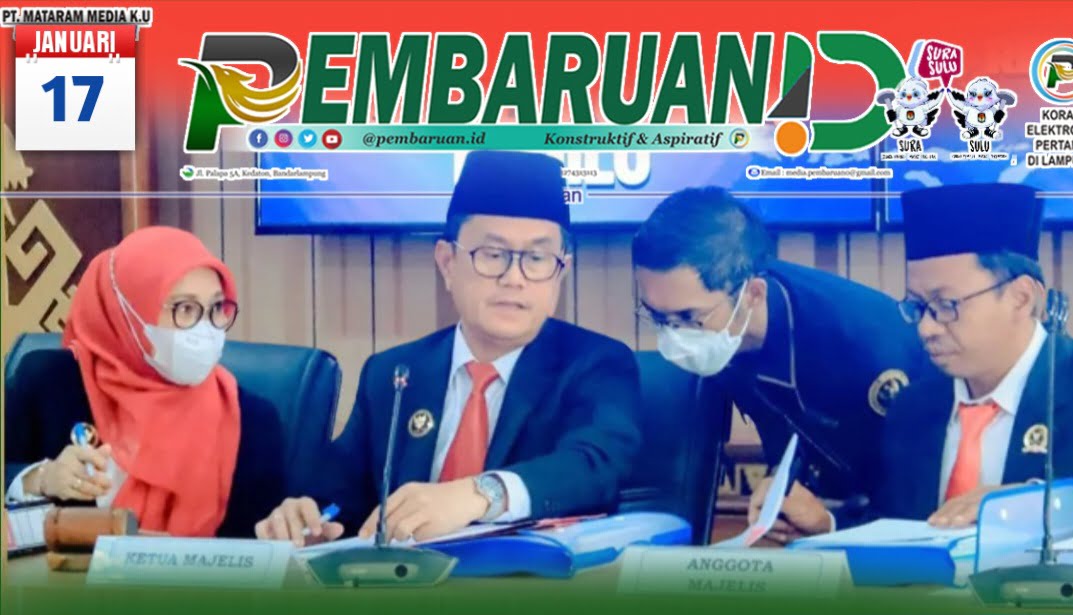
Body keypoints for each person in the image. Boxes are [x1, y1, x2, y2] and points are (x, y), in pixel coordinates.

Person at [255, 151, 643, 545]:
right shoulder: (393, 372)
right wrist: (308, 515)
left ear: (562, 271)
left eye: (537, 258)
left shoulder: (596, 364)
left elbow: (594, 466)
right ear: (447, 262)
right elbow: (339, 495)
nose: (514, 278)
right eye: (493, 255)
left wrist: (480, 494)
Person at [632, 187, 935, 539]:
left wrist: (831, 524)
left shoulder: (868, 350)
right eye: (658, 317)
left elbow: (917, 507)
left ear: (753, 294)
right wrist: (782, 482)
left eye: (688, 317)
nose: (675, 335)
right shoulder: (724, 333)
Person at [4, 227, 284, 537]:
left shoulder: (251, 419)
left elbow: (267, 539)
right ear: (127, 312)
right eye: (185, 308)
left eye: (217, 308)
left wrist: (290, 525)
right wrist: (39, 479)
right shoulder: (49, 384)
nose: (206, 328)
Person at [874, 183, 1073, 528]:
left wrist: (1036, 505)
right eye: (919, 307)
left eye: (947, 305)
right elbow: (889, 525)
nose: (926, 328)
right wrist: (826, 523)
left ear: (1021, 298)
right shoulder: (913, 407)